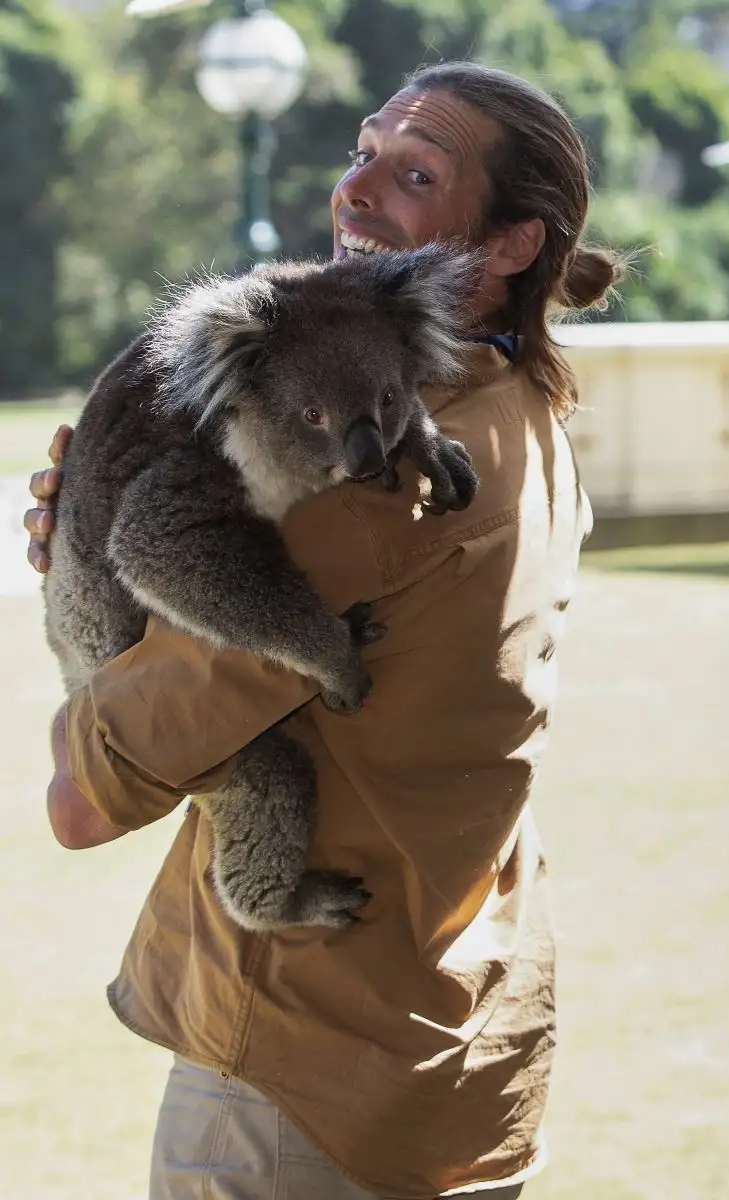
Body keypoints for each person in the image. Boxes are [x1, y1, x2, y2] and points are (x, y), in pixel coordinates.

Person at [26, 62, 618, 1199]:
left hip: (300, 1081)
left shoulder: (361, 505)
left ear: (505, 247)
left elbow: (85, 799)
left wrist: (97, 592)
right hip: (463, 1036)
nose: (357, 191)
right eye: (363, 153)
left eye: (415, 173)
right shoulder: (525, 416)